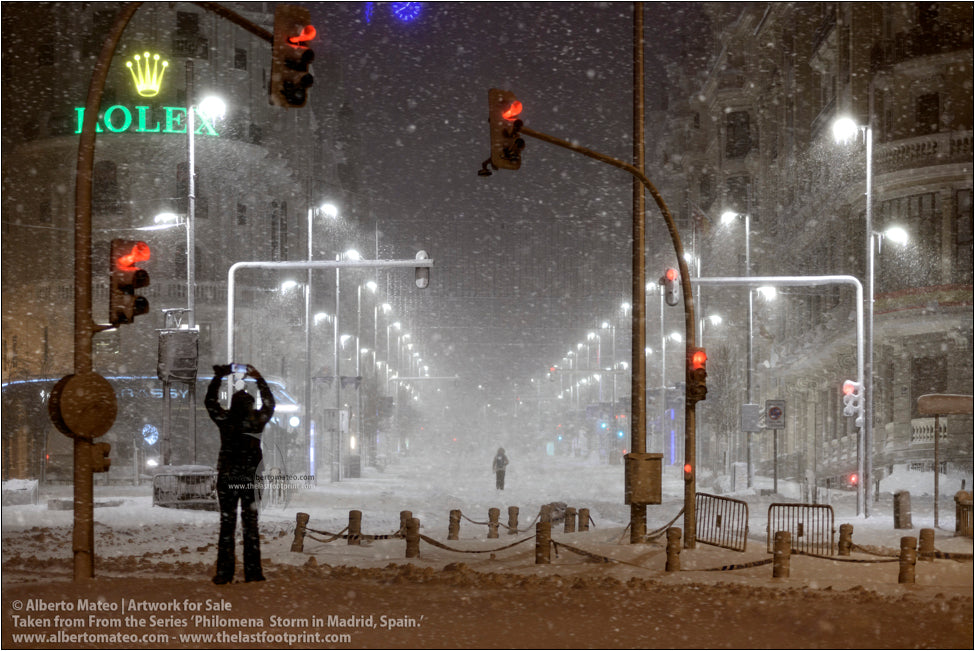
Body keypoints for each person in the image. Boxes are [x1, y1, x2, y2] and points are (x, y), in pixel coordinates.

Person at [205, 363, 275, 584]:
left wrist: (218, 377)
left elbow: (210, 402)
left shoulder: (226, 420)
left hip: (227, 477)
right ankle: (253, 572)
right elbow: (270, 404)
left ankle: (224, 573)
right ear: (251, 405)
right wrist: (259, 378)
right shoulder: (255, 421)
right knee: (250, 526)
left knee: (227, 526)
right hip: (250, 479)